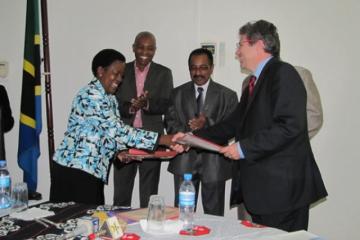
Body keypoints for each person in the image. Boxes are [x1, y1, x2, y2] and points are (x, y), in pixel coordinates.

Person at [174, 20, 328, 232]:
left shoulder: (283, 73)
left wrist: (242, 148)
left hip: (282, 192)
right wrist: (190, 138)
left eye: (240, 45)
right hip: (263, 192)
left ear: (258, 45)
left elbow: (289, 127)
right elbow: (231, 125)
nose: (237, 52)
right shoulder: (253, 84)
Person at [50, 49, 176, 205]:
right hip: (74, 171)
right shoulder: (91, 95)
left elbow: (107, 134)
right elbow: (118, 131)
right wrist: (164, 139)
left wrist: (119, 152)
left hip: (93, 171)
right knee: (71, 222)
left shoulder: (110, 98)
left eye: (122, 75)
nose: (119, 79)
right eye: (115, 73)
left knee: (91, 221)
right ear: (101, 71)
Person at [165, 48, 238, 216]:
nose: (198, 72)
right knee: (183, 215)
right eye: (193, 68)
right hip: (184, 161)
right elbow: (169, 123)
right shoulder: (176, 93)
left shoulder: (228, 95)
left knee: (214, 216)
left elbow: (231, 127)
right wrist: (188, 136)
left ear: (211, 68)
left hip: (214, 164)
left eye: (203, 67)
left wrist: (207, 124)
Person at [113, 32, 173, 208]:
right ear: (133, 48)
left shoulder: (164, 73)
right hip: (124, 140)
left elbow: (167, 104)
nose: (144, 51)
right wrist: (131, 107)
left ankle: (146, 230)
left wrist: (146, 104)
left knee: (148, 195)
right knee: (121, 194)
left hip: (151, 139)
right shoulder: (121, 71)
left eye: (150, 48)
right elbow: (113, 102)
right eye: (140, 47)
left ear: (155, 50)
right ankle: (120, 231)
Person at [242, 65, 323, 139]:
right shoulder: (248, 82)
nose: (238, 52)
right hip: (256, 151)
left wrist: (284, 144)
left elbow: (314, 117)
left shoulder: (299, 74)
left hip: (289, 152)